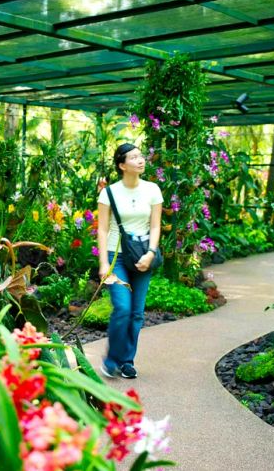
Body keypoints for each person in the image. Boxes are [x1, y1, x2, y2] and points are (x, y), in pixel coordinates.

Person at [97, 143, 163, 379]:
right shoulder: (109, 193)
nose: (140, 160)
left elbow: (155, 225)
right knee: (123, 308)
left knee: (136, 313)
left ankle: (126, 361)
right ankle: (112, 358)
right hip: (117, 257)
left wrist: (151, 253)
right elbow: (102, 230)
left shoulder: (153, 190)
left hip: (143, 255)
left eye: (141, 155)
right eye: (133, 157)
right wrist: (103, 263)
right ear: (122, 165)